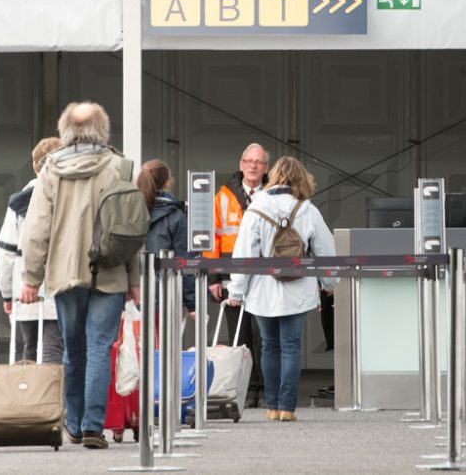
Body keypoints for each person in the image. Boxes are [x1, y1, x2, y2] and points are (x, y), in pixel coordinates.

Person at [20, 102, 141, 450]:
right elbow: (131, 230)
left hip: (64, 273)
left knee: (74, 351)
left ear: (66, 131)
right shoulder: (121, 167)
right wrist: (134, 280)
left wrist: (31, 277)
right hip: (111, 270)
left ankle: (72, 423)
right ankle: (92, 425)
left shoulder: (50, 170)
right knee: (101, 348)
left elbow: (36, 229)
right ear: (103, 130)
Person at [226, 156, 336, 422]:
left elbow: (243, 253)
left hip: (262, 290)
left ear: (273, 176)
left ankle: (272, 407)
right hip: (297, 290)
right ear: (301, 178)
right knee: (291, 346)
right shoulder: (307, 209)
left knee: (269, 347)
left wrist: (236, 292)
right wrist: (330, 285)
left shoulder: (256, 207)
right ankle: (287, 408)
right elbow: (325, 250)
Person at [205, 142, 269, 407]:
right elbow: (212, 239)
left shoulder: (273, 196)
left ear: (266, 168)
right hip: (232, 277)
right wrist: (214, 278)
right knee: (239, 339)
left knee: (264, 338)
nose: (253, 166)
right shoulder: (222, 197)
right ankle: (242, 391)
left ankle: (263, 391)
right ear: (241, 164)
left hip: (266, 279)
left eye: (259, 162)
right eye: (249, 161)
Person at [0, 136, 64, 364]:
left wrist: (7, 294)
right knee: (55, 349)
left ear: (35, 166)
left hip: (23, 291)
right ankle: (54, 399)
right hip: (59, 291)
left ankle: (30, 398)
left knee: (29, 350)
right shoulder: (69, 199)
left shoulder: (18, 202)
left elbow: (4, 252)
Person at [137, 160, 195, 316]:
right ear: (168, 182)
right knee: (165, 340)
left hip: (136, 294)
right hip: (167, 294)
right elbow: (185, 262)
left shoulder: (132, 213)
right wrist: (192, 303)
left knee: (143, 339)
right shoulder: (176, 216)